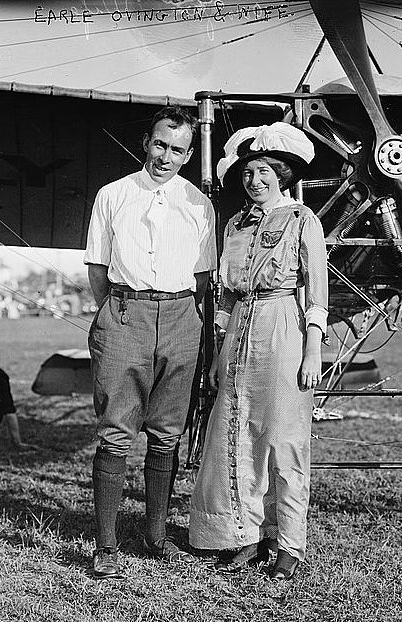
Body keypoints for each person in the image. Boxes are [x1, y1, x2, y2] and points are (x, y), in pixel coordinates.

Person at [189, 122, 328, 581]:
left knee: (284, 438)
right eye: (249, 172)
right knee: (235, 434)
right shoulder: (235, 224)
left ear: (283, 173)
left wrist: (311, 353)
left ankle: (287, 543)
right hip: (238, 335)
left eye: (265, 171)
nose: (256, 180)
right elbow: (226, 296)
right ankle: (243, 535)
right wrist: (216, 353)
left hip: (283, 325)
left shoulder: (303, 219)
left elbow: (316, 295)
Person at [83, 106, 217, 579]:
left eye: (178, 150)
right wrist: (119, 311)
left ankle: (156, 538)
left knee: (166, 432)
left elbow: (203, 276)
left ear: (187, 155)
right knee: (116, 430)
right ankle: (106, 546)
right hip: (125, 312)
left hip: (182, 316)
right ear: (146, 141)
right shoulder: (113, 194)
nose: (167, 156)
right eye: (160, 144)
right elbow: (97, 269)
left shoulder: (200, 203)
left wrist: (180, 315)